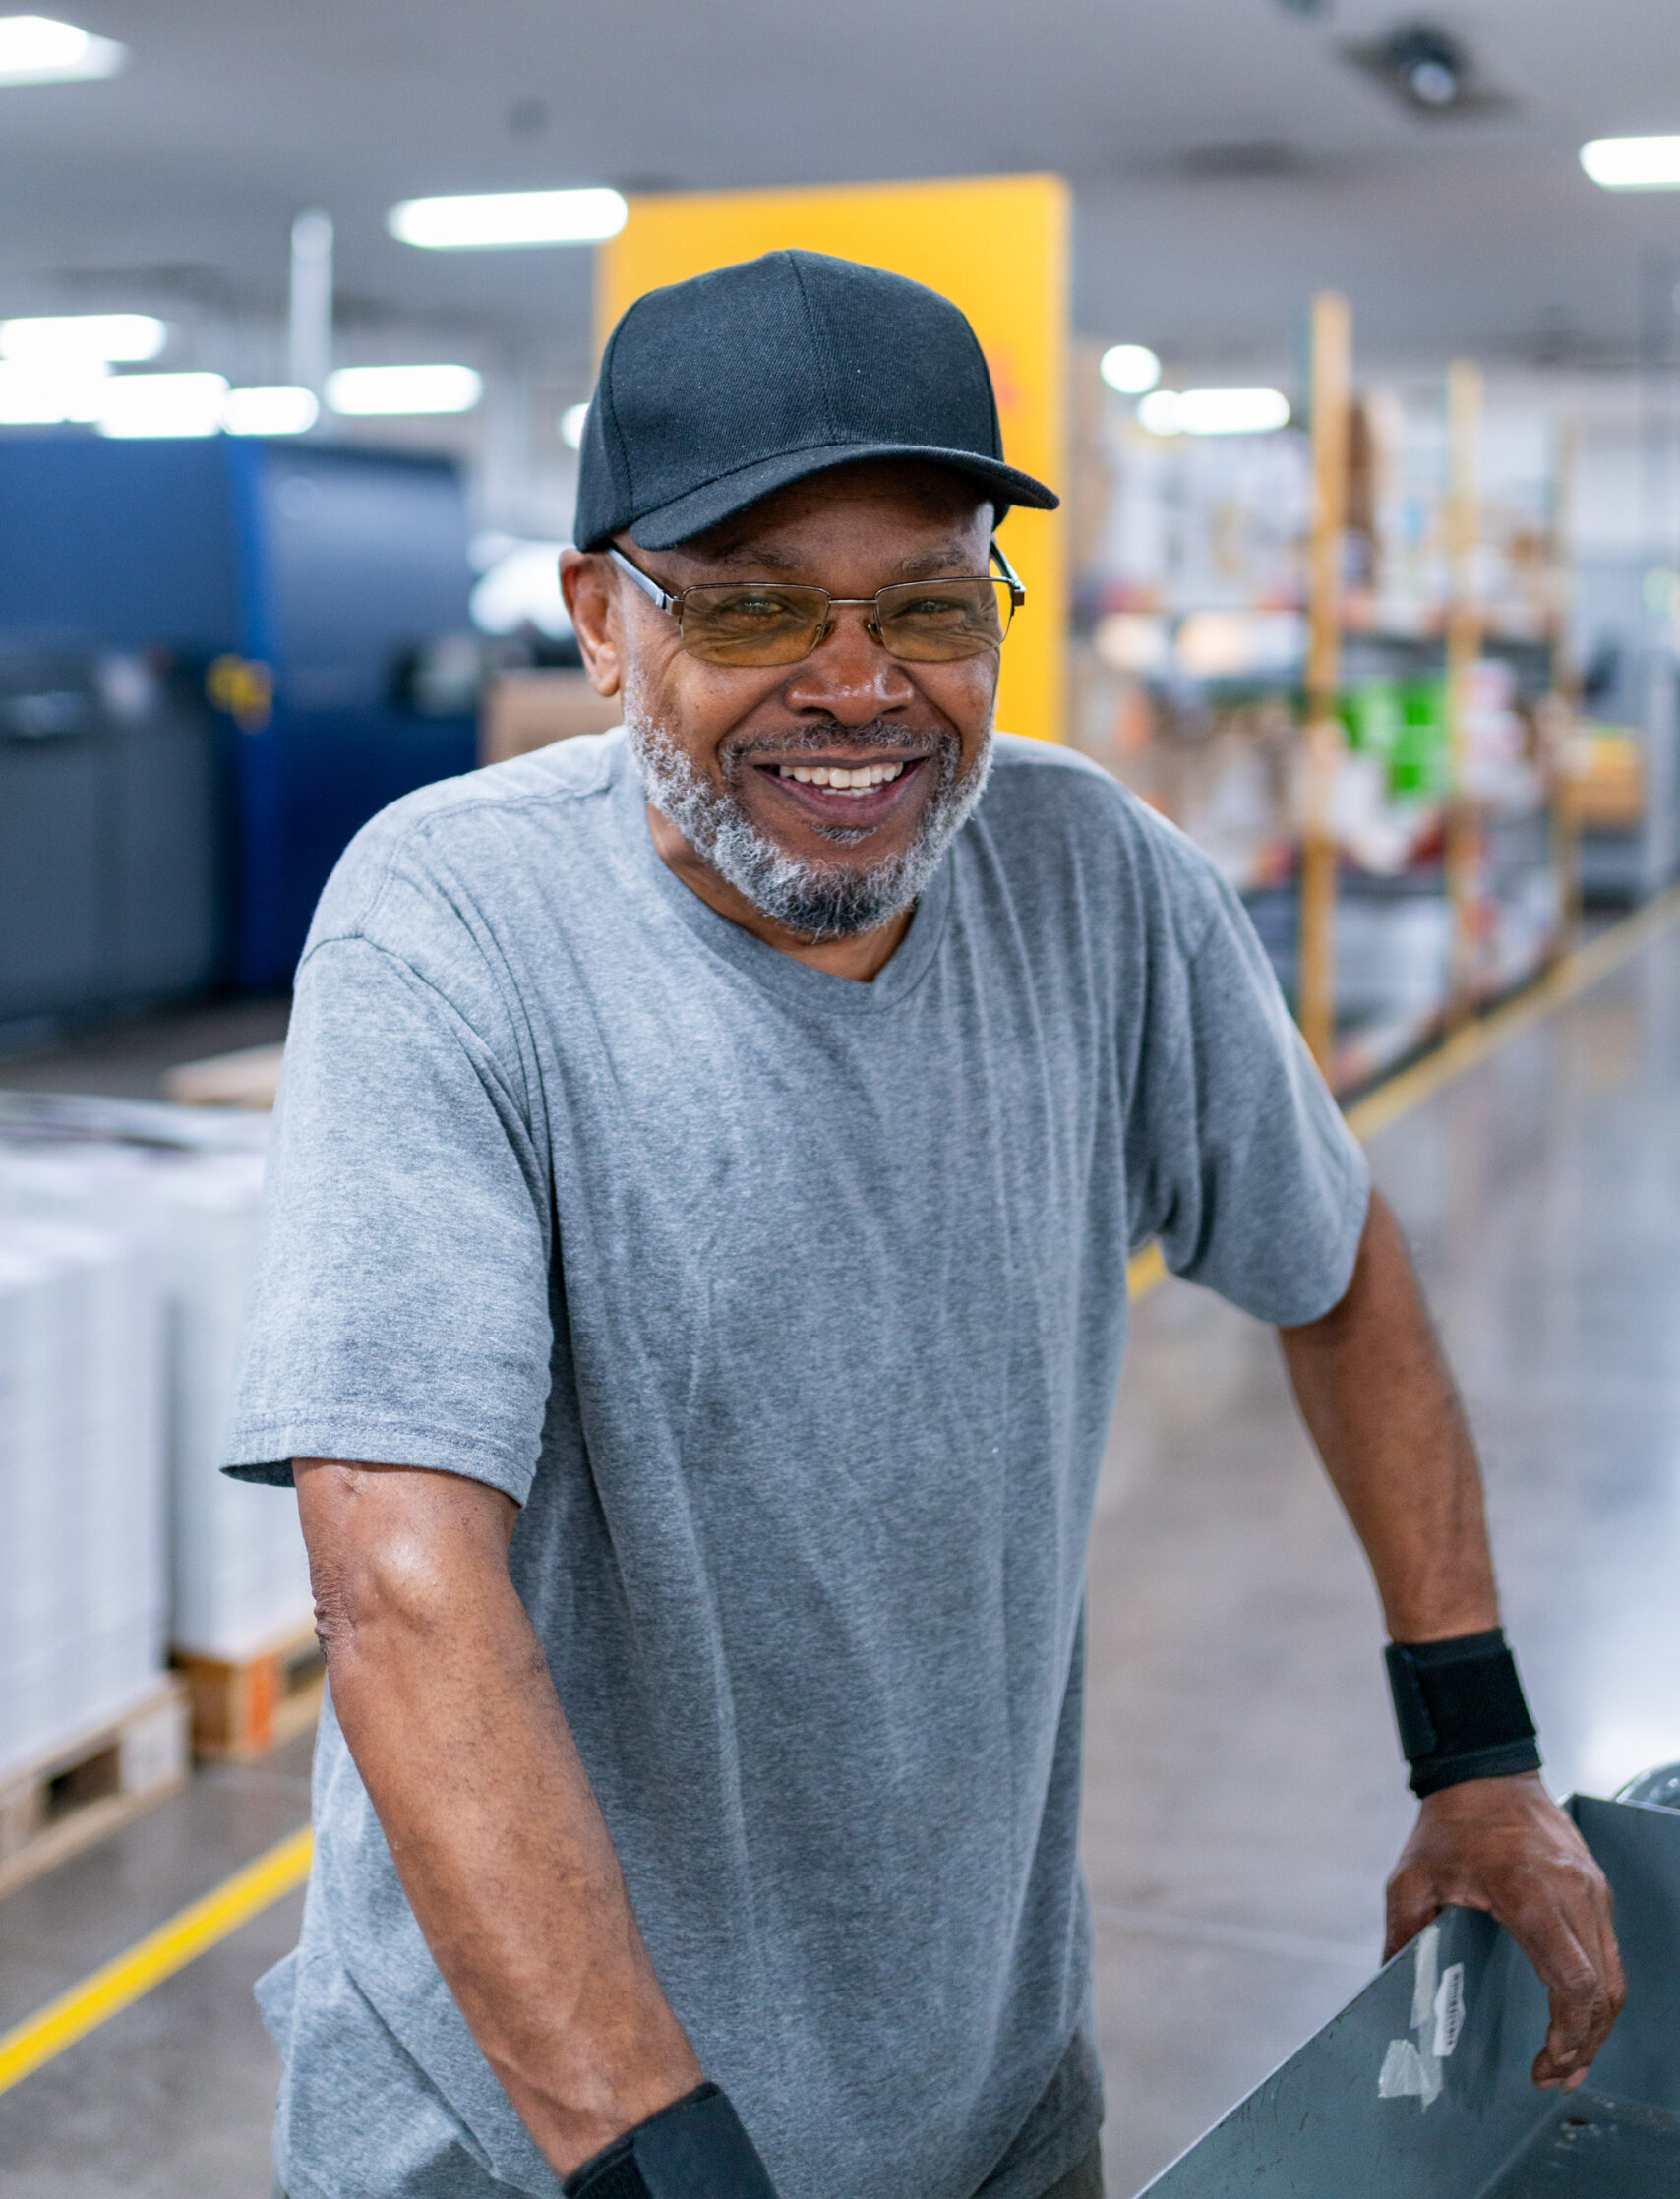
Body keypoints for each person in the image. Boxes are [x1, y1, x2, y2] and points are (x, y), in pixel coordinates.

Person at [226, 251, 1623, 2199]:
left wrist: (1468, 1745)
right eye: (752, 605)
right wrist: (648, 2154)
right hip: (538, 2132)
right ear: (599, 623)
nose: (859, 682)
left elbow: (1335, 1264)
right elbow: (399, 1581)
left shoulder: (1094, 880)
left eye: (926, 603)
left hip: (980, 2102)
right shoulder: (450, 928)